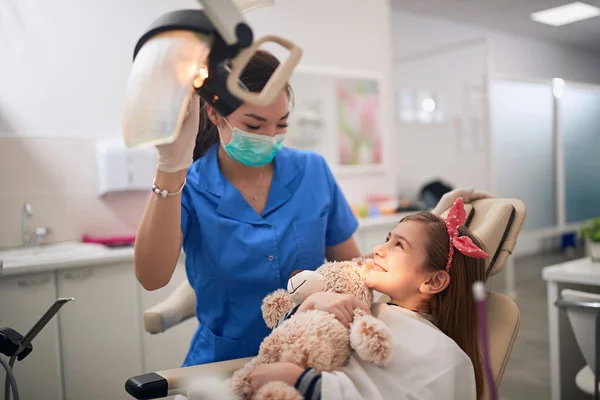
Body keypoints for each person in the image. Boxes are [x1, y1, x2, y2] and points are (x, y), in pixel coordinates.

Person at [133, 48, 493, 369]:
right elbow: (151, 277)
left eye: (281, 125)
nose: (269, 137)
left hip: (315, 354)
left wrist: (430, 230)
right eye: (254, 125)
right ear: (214, 113)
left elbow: (355, 271)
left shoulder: (312, 172)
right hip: (222, 364)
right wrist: (171, 166)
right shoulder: (190, 186)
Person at [247, 198, 489, 400]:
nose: (377, 249)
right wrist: (309, 305)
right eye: (387, 239)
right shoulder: (362, 308)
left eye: (399, 245)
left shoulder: (443, 356)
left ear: (433, 282)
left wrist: (298, 379)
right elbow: (284, 341)